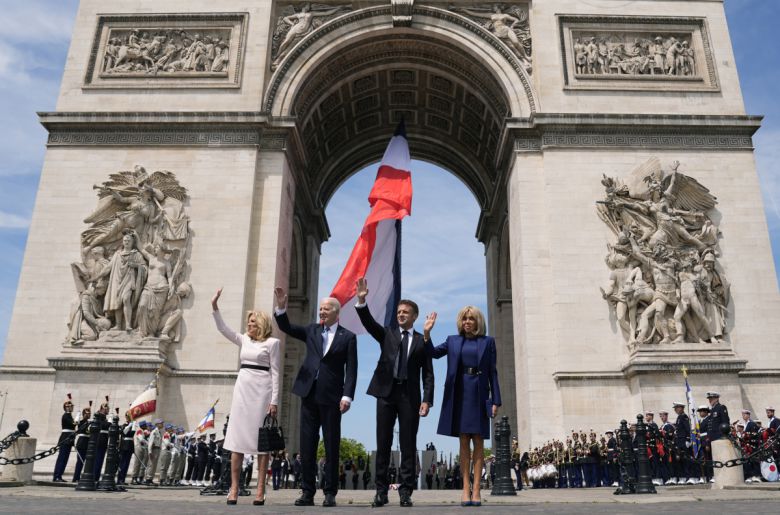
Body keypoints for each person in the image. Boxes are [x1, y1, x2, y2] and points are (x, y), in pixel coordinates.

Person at [273, 286, 358, 507]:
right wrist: (281, 307)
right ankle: (307, 492)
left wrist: (347, 396)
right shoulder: (311, 331)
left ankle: (330, 493)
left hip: (332, 398)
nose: (321, 312)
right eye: (320, 308)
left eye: (326, 309)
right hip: (308, 394)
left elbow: (352, 370)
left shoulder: (348, 337)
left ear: (336, 313)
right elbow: (287, 327)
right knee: (307, 446)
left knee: (331, 445)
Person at [354, 277, 435, 508]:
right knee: (383, 442)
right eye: (399, 312)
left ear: (414, 316)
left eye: (405, 312)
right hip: (386, 395)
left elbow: (428, 374)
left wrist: (427, 400)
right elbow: (369, 324)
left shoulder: (421, 341)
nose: (401, 315)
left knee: (409, 443)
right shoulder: (388, 334)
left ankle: (405, 492)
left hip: (410, 397)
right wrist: (362, 301)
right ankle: (380, 491)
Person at [424, 306, 501, 506]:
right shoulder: (453, 340)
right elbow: (432, 353)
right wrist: (427, 333)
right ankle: (465, 489)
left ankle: (477, 490)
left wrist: (496, 401)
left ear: (478, 322)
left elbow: (493, 372)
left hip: (480, 393)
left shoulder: (488, 342)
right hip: (459, 393)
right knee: (464, 440)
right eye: (464, 319)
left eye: (471, 319)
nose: (467, 322)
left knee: (478, 440)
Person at [212, 287, 281, 506]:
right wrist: (215, 307)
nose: (249, 325)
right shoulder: (243, 340)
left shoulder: (273, 343)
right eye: (248, 322)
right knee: (236, 442)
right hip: (242, 390)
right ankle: (233, 488)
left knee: (262, 444)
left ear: (261, 324)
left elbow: (277, 373)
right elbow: (223, 329)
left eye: (253, 322)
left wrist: (274, 401)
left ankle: (260, 489)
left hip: (262, 392)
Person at [53, 394, 76, 482]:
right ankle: (57, 476)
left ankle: (59, 475)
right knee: (62, 458)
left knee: (65, 459)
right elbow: (73, 424)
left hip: (69, 439)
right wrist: (78, 418)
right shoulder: (66, 416)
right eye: (71, 407)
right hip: (65, 438)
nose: (72, 408)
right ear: (67, 407)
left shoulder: (69, 415)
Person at [72, 403, 92, 482]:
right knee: (80, 462)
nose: (88, 415)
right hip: (81, 442)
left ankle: (80, 477)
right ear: (83, 414)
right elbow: (81, 429)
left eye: (89, 414)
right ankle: (76, 477)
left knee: (85, 462)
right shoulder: (81, 422)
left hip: (87, 443)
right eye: (87, 414)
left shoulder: (89, 422)